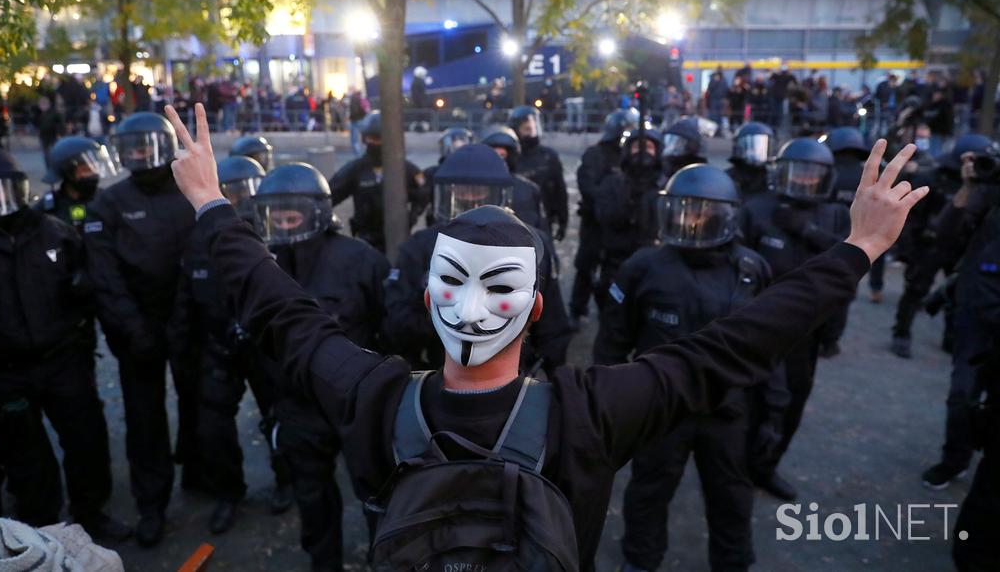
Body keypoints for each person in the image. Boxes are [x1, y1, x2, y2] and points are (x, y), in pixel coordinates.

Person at [162, 102, 926, 571]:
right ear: (539, 315)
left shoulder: (370, 393)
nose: (471, 307)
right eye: (460, 285)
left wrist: (211, 206)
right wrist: (856, 250)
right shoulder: (591, 412)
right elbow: (733, 347)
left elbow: (282, 315)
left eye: (493, 287)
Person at [596, 164, 771, 572]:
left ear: (727, 215)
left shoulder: (751, 270)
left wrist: (770, 413)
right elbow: (612, 340)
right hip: (662, 408)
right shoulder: (644, 266)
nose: (691, 220)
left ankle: (733, 562)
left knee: (731, 494)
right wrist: (608, 403)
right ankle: (640, 559)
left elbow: (769, 348)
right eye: (683, 210)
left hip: (726, 408)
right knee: (649, 491)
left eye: (703, 212)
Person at [0, 145, 129, 541]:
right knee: (26, 459)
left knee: (87, 443)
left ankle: (90, 513)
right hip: (4, 374)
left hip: (63, 360)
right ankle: (40, 532)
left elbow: (89, 290)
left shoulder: (55, 233)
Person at [254, 161, 390, 571]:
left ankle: (386, 558)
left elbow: (390, 328)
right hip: (297, 404)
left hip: (355, 401)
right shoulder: (263, 263)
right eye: (274, 212)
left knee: (376, 492)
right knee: (311, 497)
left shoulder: (361, 259)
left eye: (291, 211)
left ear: (317, 210)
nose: (282, 220)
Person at [83, 112, 200, 547]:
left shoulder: (189, 190)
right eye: (131, 148)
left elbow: (203, 252)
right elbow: (104, 275)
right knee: (144, 420)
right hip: (136, 329)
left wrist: (185, 320)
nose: (139, 155)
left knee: (200, 401)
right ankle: (152, 503)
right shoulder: (107, 204)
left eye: (146, 146)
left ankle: (201, 471)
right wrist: (134, 328)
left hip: (187, 319)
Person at [168, 155, 292, 535]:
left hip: (262, 343)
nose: (239, 202)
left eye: (246, 193)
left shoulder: (274, 235)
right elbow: (186, 298)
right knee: (212, 426)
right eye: (231, 193)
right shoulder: (198, 240)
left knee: (280, 417)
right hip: (219, 344)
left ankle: (286, 480)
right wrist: (183, 351)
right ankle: (228, 493)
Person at [384, 144, 571, 374]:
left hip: (512, 372)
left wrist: (552, 380)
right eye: (461, 192)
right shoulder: (422, 245)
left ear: (500, 195)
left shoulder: (529, 245)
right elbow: (396, 320)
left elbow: (551, 320)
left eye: (480, 192)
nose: (471, 201)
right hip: (439, 369)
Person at [737, 137, 850, 500]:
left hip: (807, 332)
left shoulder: (833, 215)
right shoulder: (756, 209)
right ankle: (736, 466)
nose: (802, 181)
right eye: (795, 173)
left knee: (792, 403)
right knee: (750, 401)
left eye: (811, 175)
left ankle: (765, 468)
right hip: (759, 327)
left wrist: (808, 231)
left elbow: (846, 268)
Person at [921, 143, 1000, 493]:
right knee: (962, 395)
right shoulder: (990, 193)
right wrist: (970, 185)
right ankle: (955, 459)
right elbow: (946, 231)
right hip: (977, 313)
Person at [890, 133, 991, 358]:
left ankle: (950, 337)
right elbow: (911, 215)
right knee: (915, 290)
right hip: (930, 245)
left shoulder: (985, 184)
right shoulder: (933, 178)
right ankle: (902, 332)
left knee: (956, 295)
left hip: (960, 248)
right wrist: (907, 249)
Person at [570, 108, 637, 322]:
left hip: (618, 224)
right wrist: (606, 202)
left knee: (616, 268)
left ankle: (611, 308)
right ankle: (577, 309)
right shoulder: (595, 154)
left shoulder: (629, 156)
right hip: (594, 222)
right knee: (586, 266)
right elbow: (586, 184)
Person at [330, 111, 427, 253]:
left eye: (380, 139)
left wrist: (412, 216)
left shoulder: (405, 169)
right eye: (372, 138)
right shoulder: (356, 169)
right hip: (366, 241)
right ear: (364, 139)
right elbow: (330, 194)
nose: (375, 143)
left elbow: (424, 192)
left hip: (398, 240)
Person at [595, 125, 665, 305]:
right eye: (637, 147)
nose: (642, 153)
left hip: (655, 266)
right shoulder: (612, 183)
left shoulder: (665, 186)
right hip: (617, 263)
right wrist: (631, 200)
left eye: (648, 147)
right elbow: (604, 217)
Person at [820, 127, 872, 356]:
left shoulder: (827, 173)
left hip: (823, 242)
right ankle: (831, 341)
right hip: (857, 246)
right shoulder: (868, 175)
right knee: (843, 294)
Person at [508, 105, 568, 241]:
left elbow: (560, 190)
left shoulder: (548, 156)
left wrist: (562, 220)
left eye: (534, 128)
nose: (531, 133)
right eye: (527, 129)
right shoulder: (512, 157)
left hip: (544, 220)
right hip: (517, 221)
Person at [35, 137, 118, 231]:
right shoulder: (48, 209)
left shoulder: (107, 201)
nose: (93, 174)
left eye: (95, 168)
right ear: (67, 172)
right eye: (86, 170)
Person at [479, 125, 548, 233]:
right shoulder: (474, 188)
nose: (498, 160)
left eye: (502, 155)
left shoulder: (529, 189)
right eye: (494, 154)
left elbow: (542, 233)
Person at [422, 127, 472, 227]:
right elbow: (422, 198)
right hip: (441, 221)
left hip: (468, 221)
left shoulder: (476, 172)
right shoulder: (433, 172)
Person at [725, 122, 774, 202]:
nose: (756, 152)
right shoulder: (728, 178)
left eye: (761, 147)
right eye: (752, 148)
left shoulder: (772, 178)